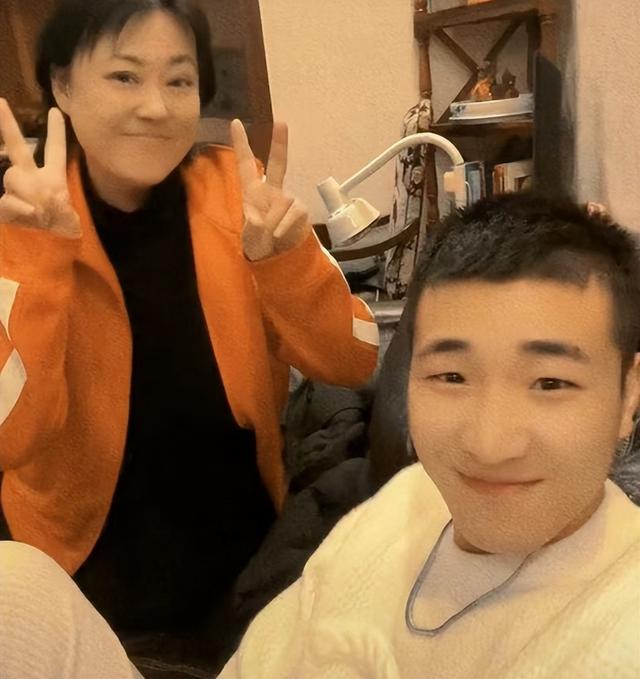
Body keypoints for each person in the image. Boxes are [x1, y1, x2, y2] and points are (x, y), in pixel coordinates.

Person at [0, 0, 378, 671]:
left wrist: (285, 260)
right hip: (84, 583)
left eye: (178, 80)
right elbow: (9, 434)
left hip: (244, 571)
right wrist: (39, 261)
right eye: (124, 76)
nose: (156, 106)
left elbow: (354, 359)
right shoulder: (21, 224)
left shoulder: (239, 195)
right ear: (63, 86)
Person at [216, 193, 640, 678]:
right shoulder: (407, 498)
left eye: (550, 383)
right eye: (452, 376)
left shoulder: (621, 629)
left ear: (628, 395)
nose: (489, 445)